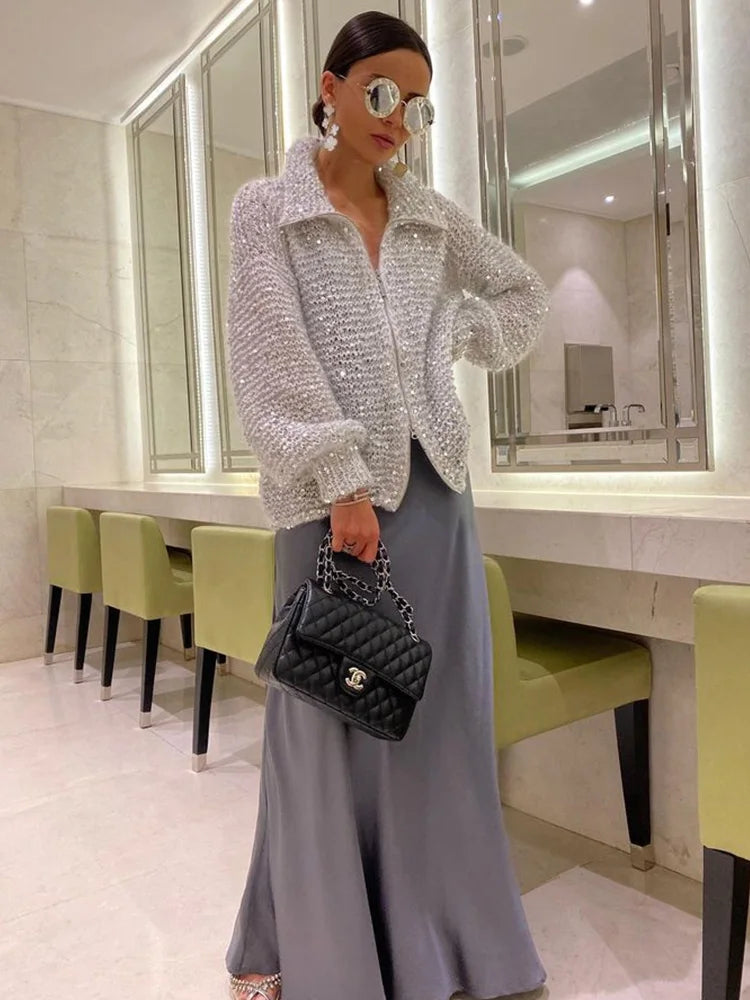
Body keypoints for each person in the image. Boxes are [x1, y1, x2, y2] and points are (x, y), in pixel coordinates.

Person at [224, 10, 549, 1000]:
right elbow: (270, 358)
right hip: (333, 509)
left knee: (438, 727)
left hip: (437, 498)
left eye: (415, 105)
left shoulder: (430, 217)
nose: (396, 119)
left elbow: (523, 298)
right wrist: (341, 482)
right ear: (330, 88)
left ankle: (450, 948)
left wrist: (456, 325)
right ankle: (313, 949)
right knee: (321, 727)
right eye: (379, 93)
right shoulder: (266, 209)